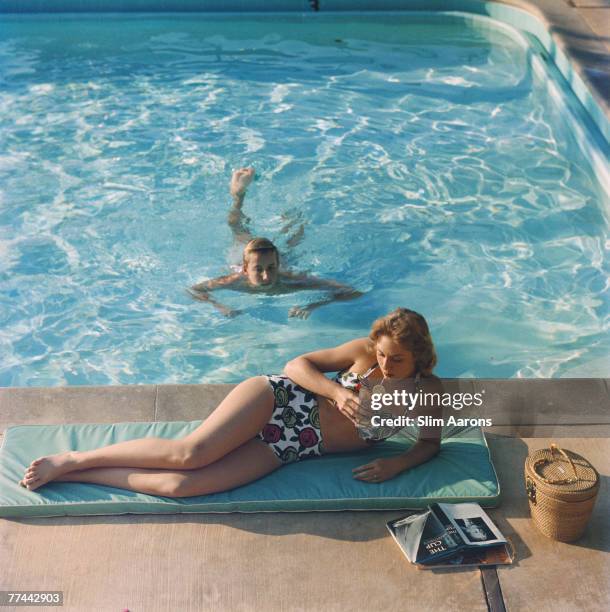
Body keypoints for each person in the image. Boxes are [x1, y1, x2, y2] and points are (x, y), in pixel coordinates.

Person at [20, 308, 443, 496]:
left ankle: (82, 475)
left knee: (182, 486)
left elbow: (429, 444)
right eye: (384, 353)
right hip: (278, 399)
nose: (386, 363)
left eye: (398, 358)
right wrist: (335, 391)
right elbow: (296, 364)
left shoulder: (430, 393)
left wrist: (397, 463)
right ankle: (75, 459)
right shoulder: (363, 353)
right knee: (189, 454)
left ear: (419, 357)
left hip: (293, 444)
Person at [187, 167, 362, 318]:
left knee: (293, 237)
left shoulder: (291, 280)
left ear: (277, 265)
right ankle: (238, 196)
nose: (266, 276)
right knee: (236, 227)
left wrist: (312, 306)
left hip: (276, 256)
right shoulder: (234, 281)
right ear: (246, 270)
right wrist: (220, 307)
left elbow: (352, 291)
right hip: (240, 256)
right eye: (258, 269)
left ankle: (291, 217)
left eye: (271, 268)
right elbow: (194, 289)